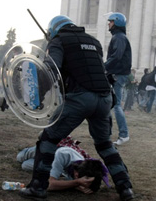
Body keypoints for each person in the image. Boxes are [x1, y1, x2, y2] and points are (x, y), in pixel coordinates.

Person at [19, 15, 134, 201]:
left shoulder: (58, 41)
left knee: (48, 140)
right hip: (104, 98)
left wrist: (37, 96)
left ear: (54, 30)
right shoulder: (94, 42)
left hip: (80, 98)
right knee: (105, 145)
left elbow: (51, 69)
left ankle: (38, 187)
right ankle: (125, 187)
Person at [17, 136, 109, 195]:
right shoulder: (64, 154)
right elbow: (48, 185)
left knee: (25, 165)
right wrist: (76, 183)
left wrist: (79, 185)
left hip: (53, 163)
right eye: (83, 182)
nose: (83, 183)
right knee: (20, 157)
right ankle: (33, 147)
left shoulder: (86, 170)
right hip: (50, 150)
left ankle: (55, 171)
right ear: (76, 175)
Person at [104, 12, 131, 146]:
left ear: (116, 22)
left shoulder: (119, 37)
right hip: (117, 74)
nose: (108, 23)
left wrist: (104, 66)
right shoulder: (119, 36)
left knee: (116, 105)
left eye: (110, 21)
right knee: (111, 103)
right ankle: (107, 133)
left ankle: (124, 134)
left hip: (117, 74)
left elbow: (117, 56)